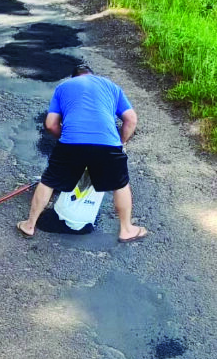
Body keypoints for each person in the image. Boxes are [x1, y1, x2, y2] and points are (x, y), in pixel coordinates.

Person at [16, 64, 147, 243]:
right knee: (120, 184)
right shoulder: (110, 86)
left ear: (74, 78)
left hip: (71, 142)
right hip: (107, 143)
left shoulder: (63, 87)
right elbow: (131, 120)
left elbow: (50, 124)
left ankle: (29, 225)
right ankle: (126, 229)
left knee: (49, 181)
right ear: (93, 75)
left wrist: (66, 139)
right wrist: (120, 143)